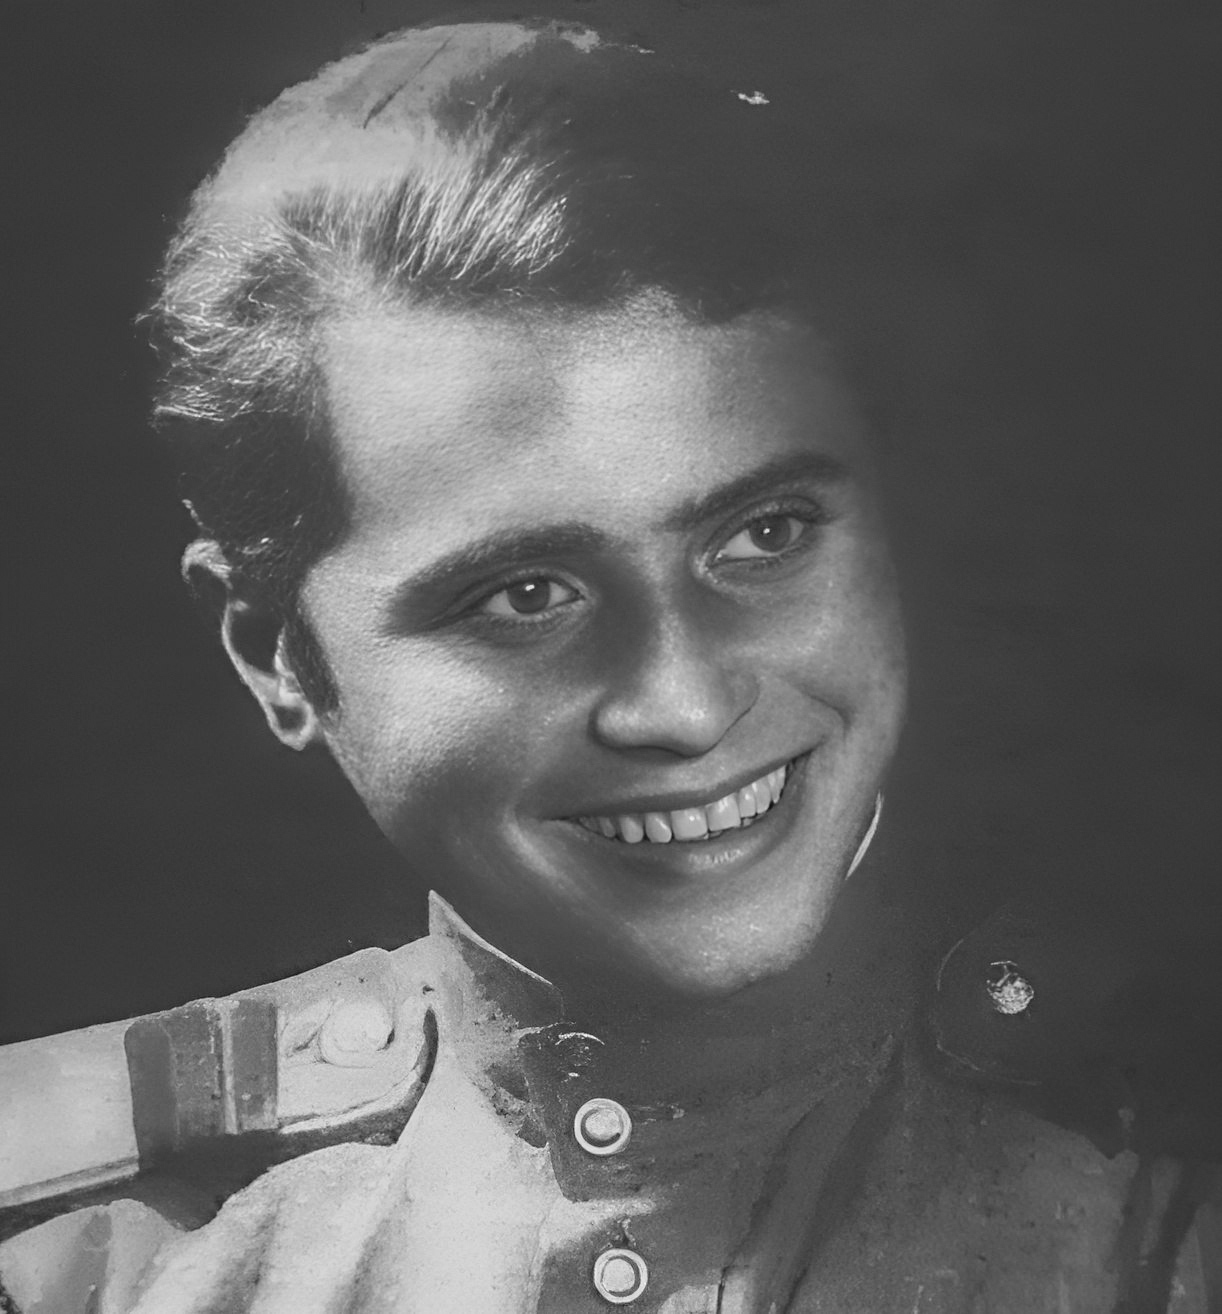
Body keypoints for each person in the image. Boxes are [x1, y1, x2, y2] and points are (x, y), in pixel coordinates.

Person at [0, 17, 1216, 1313]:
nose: (682, 704)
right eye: (525, 596)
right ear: (275, 655)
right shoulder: (83, 1260)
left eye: (764, 536)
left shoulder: (1161, 1186)